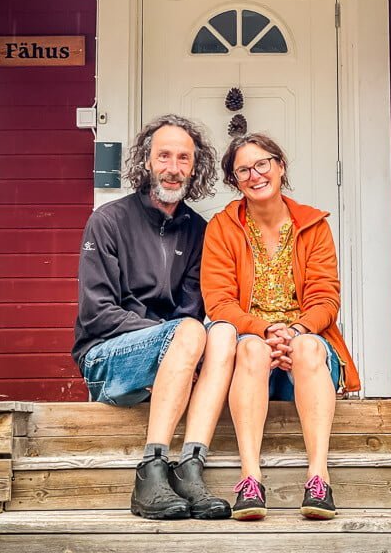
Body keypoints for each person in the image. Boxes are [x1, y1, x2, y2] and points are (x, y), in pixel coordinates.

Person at [72, 115, 236, 521]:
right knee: (189, 331)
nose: (173, 167)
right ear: (147, 161)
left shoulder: (199, 231)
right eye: (164, 155)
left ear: (194, 167)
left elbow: (192, 308)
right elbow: (98, 313)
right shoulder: (108, 221)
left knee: (223, 333)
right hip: (107, 361)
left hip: (175, 358)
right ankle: (150, 470)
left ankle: (190, 468)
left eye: (184, 158)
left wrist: (184, 346)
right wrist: (173, 340)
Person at [201, 133, 360, 521]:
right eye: (243, 170)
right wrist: (264, 329)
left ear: (280, 166)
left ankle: (318, 479)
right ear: (234, 181)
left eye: (262, 164)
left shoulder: (313, 225)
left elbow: (326, 298)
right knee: (251, 348)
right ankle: (250, 480)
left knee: (308, 349)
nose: (255, 175)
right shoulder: (222, 228)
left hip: (304, 351)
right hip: (251, 354)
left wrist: (299, 330)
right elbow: (218, 302)